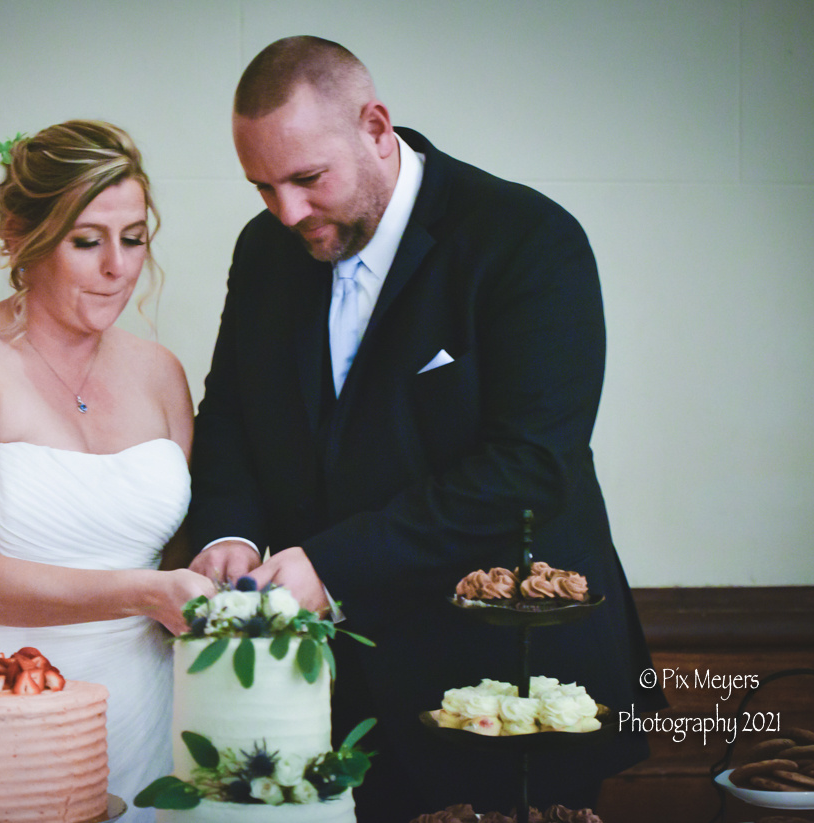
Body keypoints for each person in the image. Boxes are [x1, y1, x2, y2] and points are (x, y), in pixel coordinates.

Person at [188, 36, 666, 819]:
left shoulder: (527, 238)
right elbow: (233, 414)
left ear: (376, 128)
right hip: (330, 698)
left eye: (307, 179)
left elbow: (531, 466)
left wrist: (331, 565)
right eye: (263, 187)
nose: (287, 212)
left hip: (507, 686)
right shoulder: (265, 249)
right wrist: (227, 531)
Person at [0, 120, 213, 823]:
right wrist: (147, 592)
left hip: (138, 709)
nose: (117, 267)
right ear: (18, 235)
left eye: (133, 238)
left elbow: (178, 555)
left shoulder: (161, 373)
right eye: (86, 241)